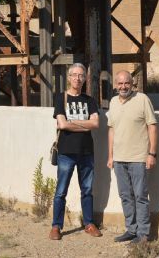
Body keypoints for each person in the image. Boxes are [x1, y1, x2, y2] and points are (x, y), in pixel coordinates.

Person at [49, 63, 103, 240]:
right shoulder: (61, 98)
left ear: (85, 79)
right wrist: (84, 124)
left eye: (81, 75)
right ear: (69, 77)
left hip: (87, 152)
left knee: (87, 190)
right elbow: (62, 124)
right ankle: (56, 227)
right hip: (66, 152)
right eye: (75, 75)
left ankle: (88, 224)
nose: (78, 79)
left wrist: (73, 124)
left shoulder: (90, 100)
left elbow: (95, 124)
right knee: (61, 191)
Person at [107, 70, 158, 244]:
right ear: (115, 85)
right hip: (119, 159)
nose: (123, 87)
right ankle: (131, 229)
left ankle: (143, 234)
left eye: (126, 83)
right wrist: (110, 156)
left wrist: (152, 154)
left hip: (138, 158)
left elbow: (152, 126)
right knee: (125, 196)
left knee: (140, 196)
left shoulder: (142, 99)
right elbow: (112, 130)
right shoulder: (113, 102)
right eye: (120, 83)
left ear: (132, 84)